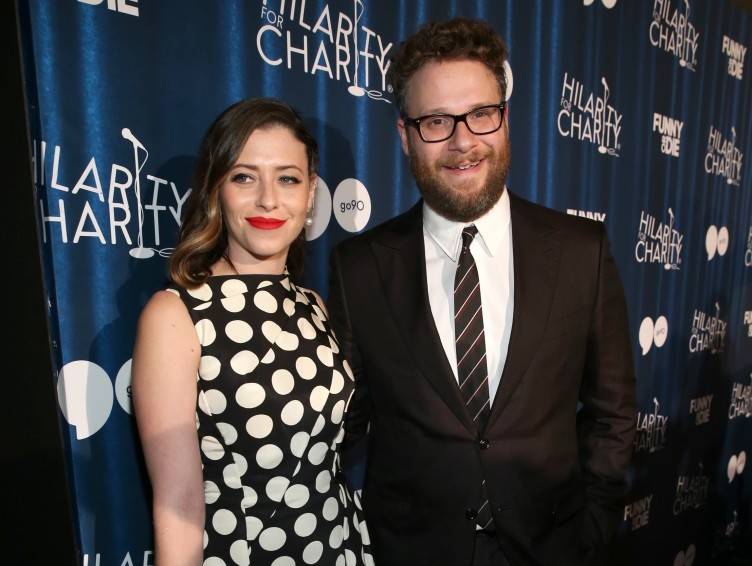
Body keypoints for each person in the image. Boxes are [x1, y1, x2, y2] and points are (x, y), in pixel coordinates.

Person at [327, 19, 636, 566]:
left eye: (481, 114)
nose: (463, 141)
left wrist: (590, 532)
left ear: (505, 119)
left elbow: (612, 411)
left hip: (553, 548)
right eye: (436, 121)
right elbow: (343, 423)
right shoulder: (359, 268)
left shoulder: (580, 251)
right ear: (404, 135)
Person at [132, 98, 373, 566]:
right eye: (244, 177)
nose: (268, 199)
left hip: (339, 546)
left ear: (310, 193)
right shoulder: (175, 316)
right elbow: (178, 505)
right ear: (216, 189)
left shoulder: (313, 304)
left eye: (288, 179)